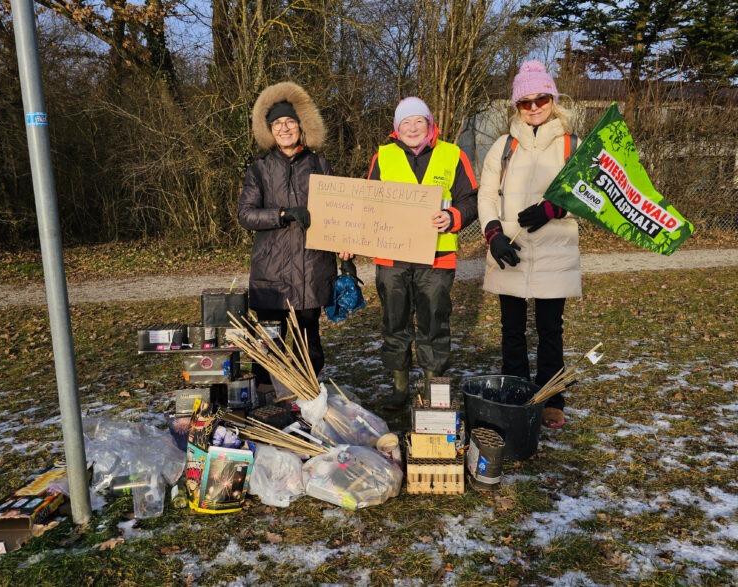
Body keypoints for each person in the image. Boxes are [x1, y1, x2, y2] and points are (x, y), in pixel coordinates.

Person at [477, 60, 582, 428]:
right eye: (526, 101)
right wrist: (493, 234)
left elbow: (588, 193)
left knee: (551, 330)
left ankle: (552, 396)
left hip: (556, 248)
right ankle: (519, 393)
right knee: (511, 330)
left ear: (552, 99)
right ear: (516, 106)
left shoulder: (573, 145)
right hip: (513, 250)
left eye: (541, 99)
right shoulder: (503, 147)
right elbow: (487, 194)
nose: (534, 107)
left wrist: (553, 208)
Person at [367, 97, 478, 409]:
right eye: (406, 123)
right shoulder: (383, 157)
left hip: (437, 257)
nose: (412, 128)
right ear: (396, 129)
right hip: (392, 257)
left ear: (430, 125)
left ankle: (432, 384)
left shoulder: (452, 154)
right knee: (394, 321)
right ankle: (400, 385)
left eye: (419, 121)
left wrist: (454, 216)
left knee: (433, 321)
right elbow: (368, 205)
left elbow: (471, 199)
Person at [238, 81, 352, 379]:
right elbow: (246, 215)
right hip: (271, 272)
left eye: (290, 122)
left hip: (311, 267)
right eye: (277, 123)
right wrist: (284, 214)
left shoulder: (320, 164)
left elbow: (339, 213)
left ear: (302, 126)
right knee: (269, 345)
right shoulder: (259, 169)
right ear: (269, 130)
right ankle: (267, 399)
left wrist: (346, 249)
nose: (284, 128)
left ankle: (306, 398)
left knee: (309, 343)